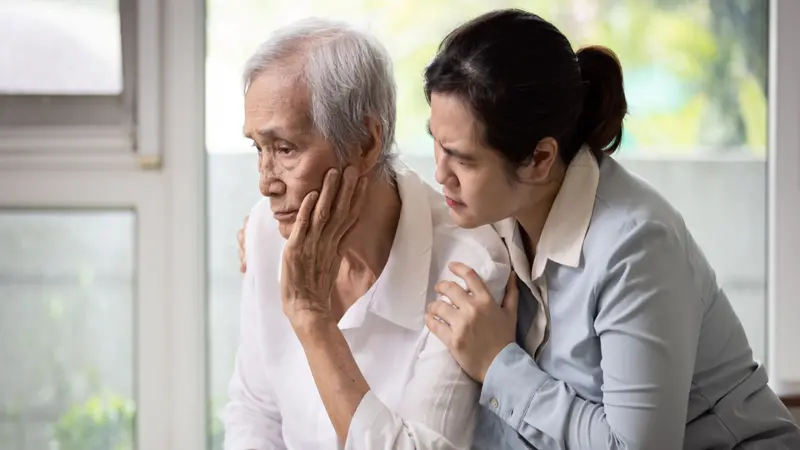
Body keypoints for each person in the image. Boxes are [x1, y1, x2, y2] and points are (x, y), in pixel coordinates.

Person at [238, 9, 800, 450]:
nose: (439, 173)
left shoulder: (635, 246)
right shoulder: (498, 213)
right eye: (435, 139)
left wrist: (499, 364)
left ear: (538, 160)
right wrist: (276, 221)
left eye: (461, 158)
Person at [221, 18, 514, 450]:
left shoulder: (468, 268)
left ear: (365, 142)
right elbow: (254, 411)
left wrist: (312, 318)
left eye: (284, 149)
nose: (266, 182)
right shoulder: (267, 232)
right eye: (258, 149)